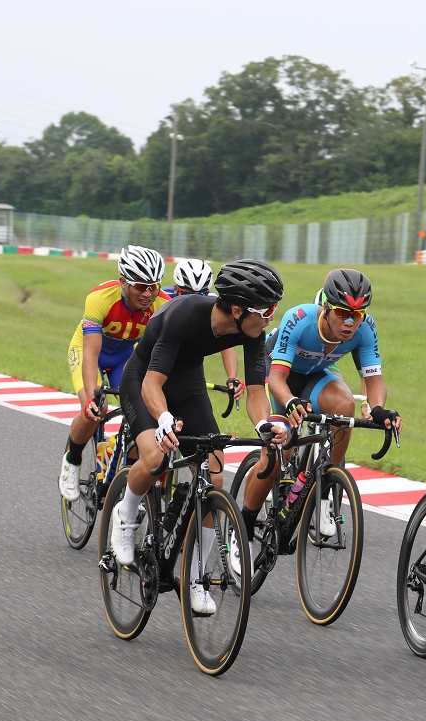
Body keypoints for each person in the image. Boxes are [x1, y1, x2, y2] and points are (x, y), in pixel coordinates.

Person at [110, 258, 289, 615]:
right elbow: (151, 384)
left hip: (188, 384)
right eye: (266, 311)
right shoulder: (184, 314)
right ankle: (125, 513)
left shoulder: (251, 331)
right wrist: (162, 420)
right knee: (156, 458)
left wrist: (264, 426)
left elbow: (256, 392)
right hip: (144, 379)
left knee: (215, 476)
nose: (271, 317)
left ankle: (195, 579)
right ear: (237, 310)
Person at [239, 268, 401, 538]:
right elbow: (278, 379)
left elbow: (373, 381)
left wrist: (377, 409)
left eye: (357, 315)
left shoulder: (366, 328)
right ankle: (243, 523)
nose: (350, 322)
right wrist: (290, 401)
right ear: (326, 308)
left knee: (344, 405)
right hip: (280, 375)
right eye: (342, 313)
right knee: (281, 453)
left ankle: (326, 486)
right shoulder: (299, 319)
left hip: (317, 374)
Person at [58, 245, 170, 502]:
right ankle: (71, 461)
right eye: (140, 286)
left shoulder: (164, 304)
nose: (148, 293)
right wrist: (90, 397)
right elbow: (90, 354)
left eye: (153, 286)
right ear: (123, 282)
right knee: (96, 409)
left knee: (141, 410)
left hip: (125, 357)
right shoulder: (100, 298)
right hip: (91, 351)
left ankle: (123, 467)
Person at [165, 257, 245, 404]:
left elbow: (226, 345)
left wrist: (232, 377)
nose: (194, 301)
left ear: (207, 292)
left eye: (201, 295)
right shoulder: (163, 299)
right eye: (188, 295)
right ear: (176, 289)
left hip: (190, 363)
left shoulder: (215, 303)